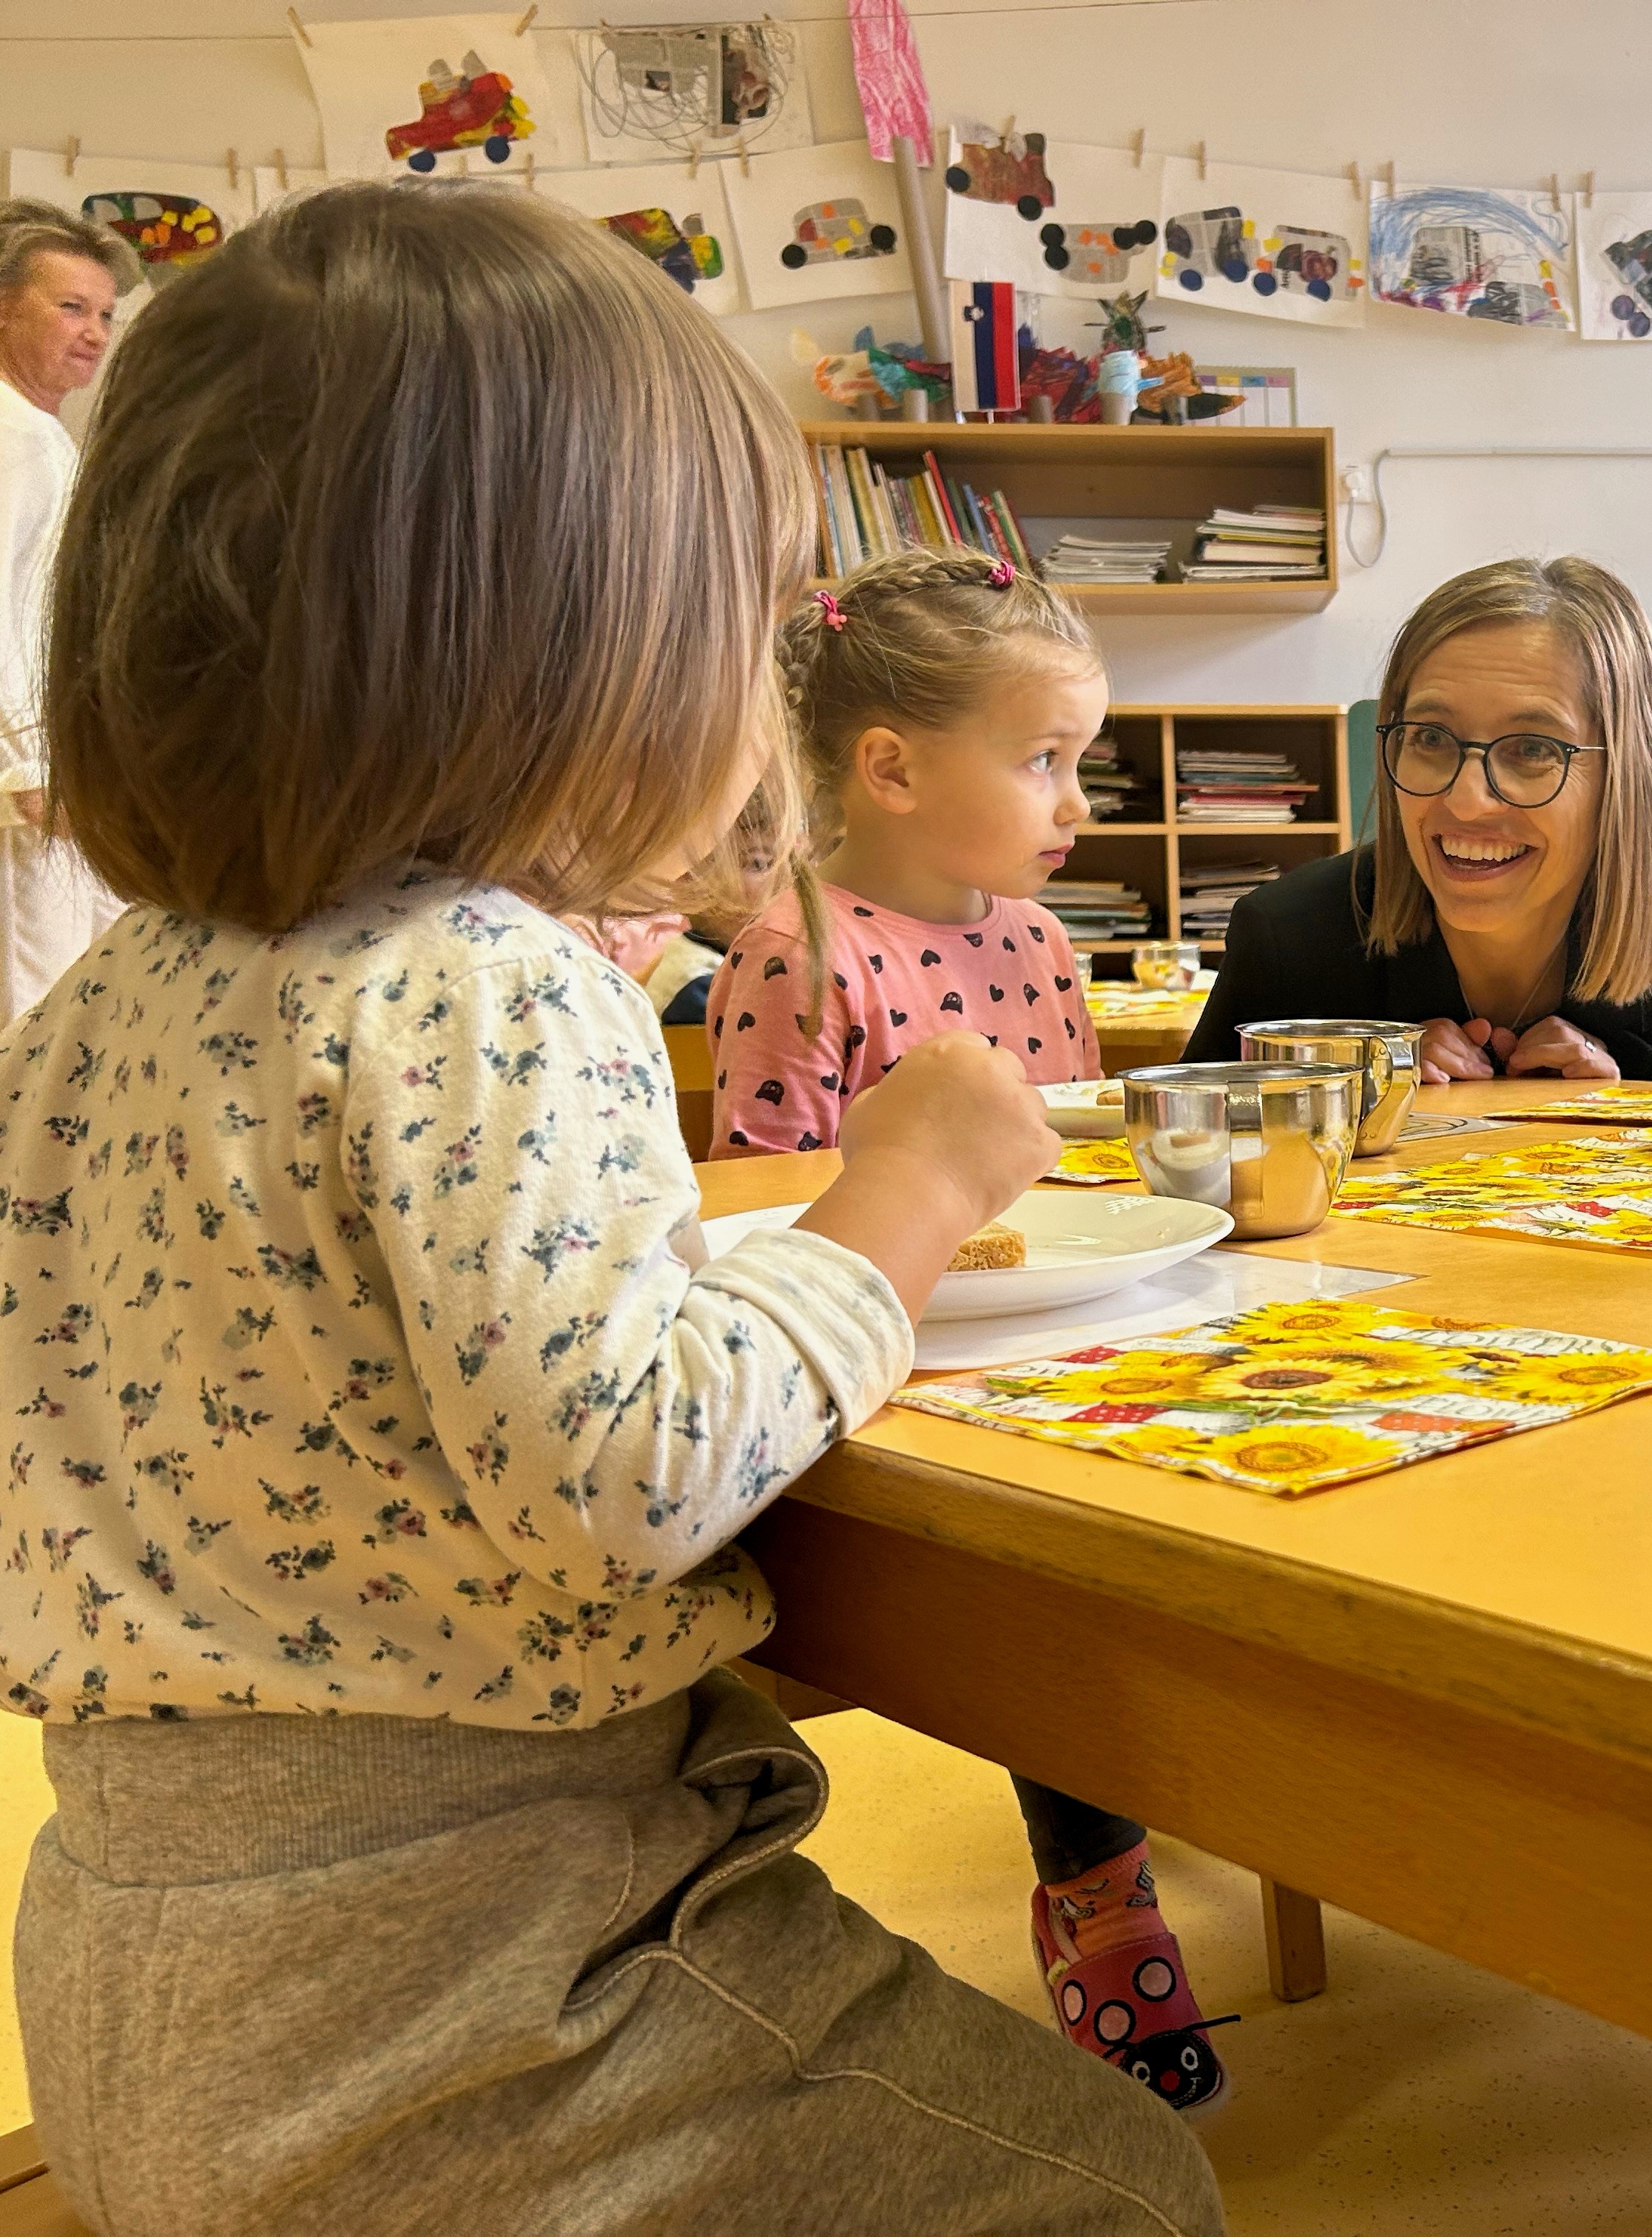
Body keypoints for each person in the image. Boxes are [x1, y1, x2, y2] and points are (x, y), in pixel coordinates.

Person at [10, 180, 1221, 2236]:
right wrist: (898, 1203)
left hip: (134, 1956)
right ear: (573, 640)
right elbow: (640, 1470)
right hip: (481, 1971)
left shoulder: (102, 1002)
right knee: (1116, 2198)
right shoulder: (484, 975)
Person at [706, 547, 1228, 2116]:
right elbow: (767, 1207)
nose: (1077, 803)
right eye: (1045, 760)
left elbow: (1073, 1171)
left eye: (1081, 761)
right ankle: (1102, 1893)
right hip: (890, 1376)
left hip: (1064, 1330)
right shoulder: (798, 945)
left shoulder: (1040, 940)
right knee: (1056, 1587)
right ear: (892, 768)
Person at [1185, 556, 1652, 1082]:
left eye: (1533, 749)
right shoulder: (1289, 938)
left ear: (1626, 775)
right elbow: (1184, 1168)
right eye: (1431, 737)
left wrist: (1627, 1111)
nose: (1466, 802)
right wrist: (1351, 1100)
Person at [0, 199, 132, 1021]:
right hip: (25, 783)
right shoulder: (12, 436)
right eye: (71, 307)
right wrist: (29, 769)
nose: (95, 332)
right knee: (34, 1006)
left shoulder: (42, 434)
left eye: (107, 314)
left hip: (57, 760)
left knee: (78, 990)